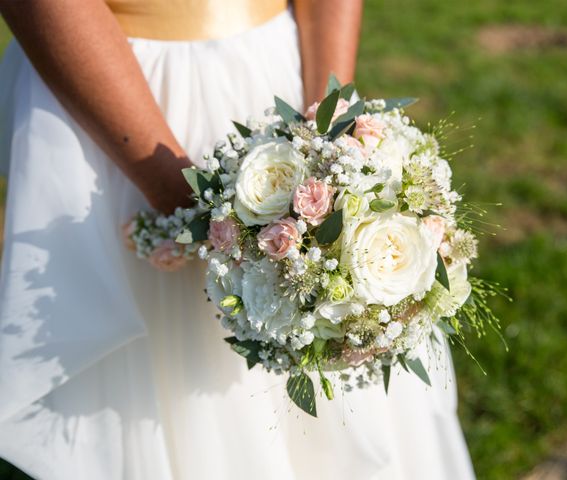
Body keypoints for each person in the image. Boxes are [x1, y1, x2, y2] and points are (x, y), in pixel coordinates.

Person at [0, 1, 476, 478]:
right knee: (169, 382)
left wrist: (331, 131)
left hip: (276, 68)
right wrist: (183, 196)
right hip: (116, 91)